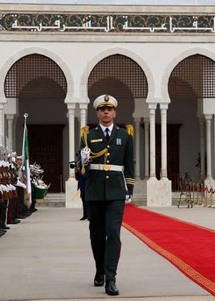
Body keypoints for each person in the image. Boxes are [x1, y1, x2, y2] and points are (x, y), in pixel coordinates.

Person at [79, 94, 134, 296]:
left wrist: (130, 190)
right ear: (97, 112)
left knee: (113, 234)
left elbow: (129, 166)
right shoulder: (87, 135)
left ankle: (111, 277)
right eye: (102, 109)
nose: (106, 112)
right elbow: (79, 167)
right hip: (94, 190)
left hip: (116, 192)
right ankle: (99, 269)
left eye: (109, 109)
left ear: (114, 112)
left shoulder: (125, 135)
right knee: (96, 235)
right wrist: (82, 160)